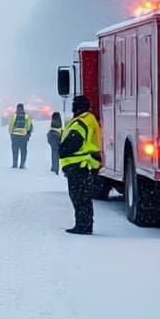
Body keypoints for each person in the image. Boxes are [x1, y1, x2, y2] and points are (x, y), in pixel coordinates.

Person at [58, 93, 101, 234]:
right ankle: (85, 225)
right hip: (85, 165)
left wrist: (62, 150)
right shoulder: (89, 119)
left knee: (79, 197)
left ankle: (82, 226)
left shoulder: (81, 122)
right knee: (83, 198)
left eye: (74, 105)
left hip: (79, 165)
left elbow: (73, 142)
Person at [8, 102, 33, 168]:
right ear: (23, 109)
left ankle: (14, 164)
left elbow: (10, 127)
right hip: (23, 136)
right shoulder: (27, 116)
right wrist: (28, 135)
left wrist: (11, 135)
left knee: (15, 151)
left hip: (15, 136)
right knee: (23, 151)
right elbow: (30, 126)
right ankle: (22, 165)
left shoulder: (13, 116)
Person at [47, 110, 62, 175]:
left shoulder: (53, 121)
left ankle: (54, 168)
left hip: (52, 135)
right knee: (56, 154)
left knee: (54, 153)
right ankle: (55, 169)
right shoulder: (59, 121)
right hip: (57, 136)